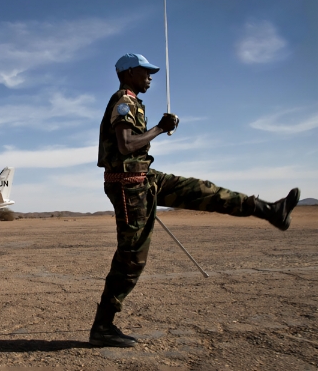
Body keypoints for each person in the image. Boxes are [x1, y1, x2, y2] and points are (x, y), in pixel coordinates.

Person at [90, 53, 301, 348]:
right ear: (128, 74)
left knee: (203, 190)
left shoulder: (134, 102)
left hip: (145, 178)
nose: (150, 76)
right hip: (129, 188)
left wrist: (156, 130)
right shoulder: (124, 102)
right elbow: (126, 146)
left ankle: (269, 209)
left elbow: (133, 147)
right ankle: (102, 326)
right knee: (131, 258)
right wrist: (160, 129)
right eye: (145, 71)